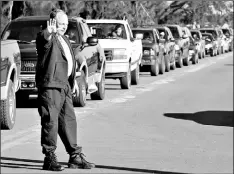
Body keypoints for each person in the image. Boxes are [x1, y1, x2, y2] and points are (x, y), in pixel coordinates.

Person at [35, 8, 95, 171]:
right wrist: (48, 32)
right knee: (50, 122)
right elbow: (43, 40)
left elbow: (69, 62)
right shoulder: (47, 37)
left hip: (65, 85)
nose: (64, 27)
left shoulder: (65, 39)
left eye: (66, 24)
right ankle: (49, 157)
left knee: (68, 120)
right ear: (53, 22)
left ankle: (74, 156)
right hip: (51, 86)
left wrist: (73, 81)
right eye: (61, 24)